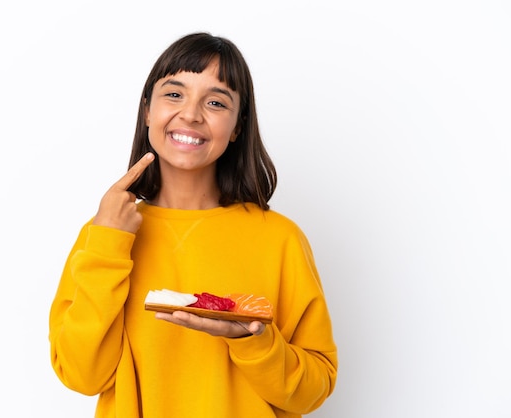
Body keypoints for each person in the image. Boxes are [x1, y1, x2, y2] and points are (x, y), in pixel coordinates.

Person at [49, 32, 338, 417]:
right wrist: (107, 243)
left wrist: (253, 340)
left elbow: (312, 391)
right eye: (174, 94)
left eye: (216, 102)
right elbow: (81, 375)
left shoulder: (280, 238)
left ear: (237, 127)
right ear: (147, 110)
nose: (191, 114)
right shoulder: (103, 233)